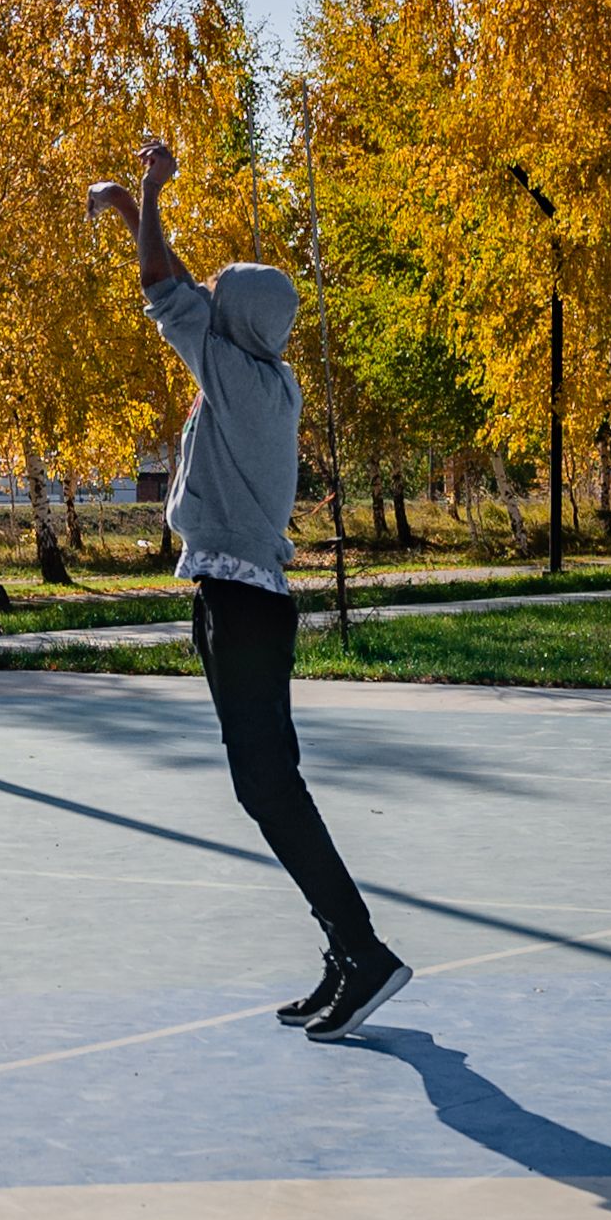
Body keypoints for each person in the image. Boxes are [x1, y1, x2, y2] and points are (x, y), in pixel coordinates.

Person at [89, 135, 408, 1039]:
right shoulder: (262, 375)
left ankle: (364, 951)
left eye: (220, 295)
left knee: (269, 789)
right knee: (270, 786)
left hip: (244, 610)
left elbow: (166, 291)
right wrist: (132, 212)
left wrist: (150, 192)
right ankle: (346, 950)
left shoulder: (231, 376)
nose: (208, 295)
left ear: (235, 322)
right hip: (241, 602)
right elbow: (186, 291)